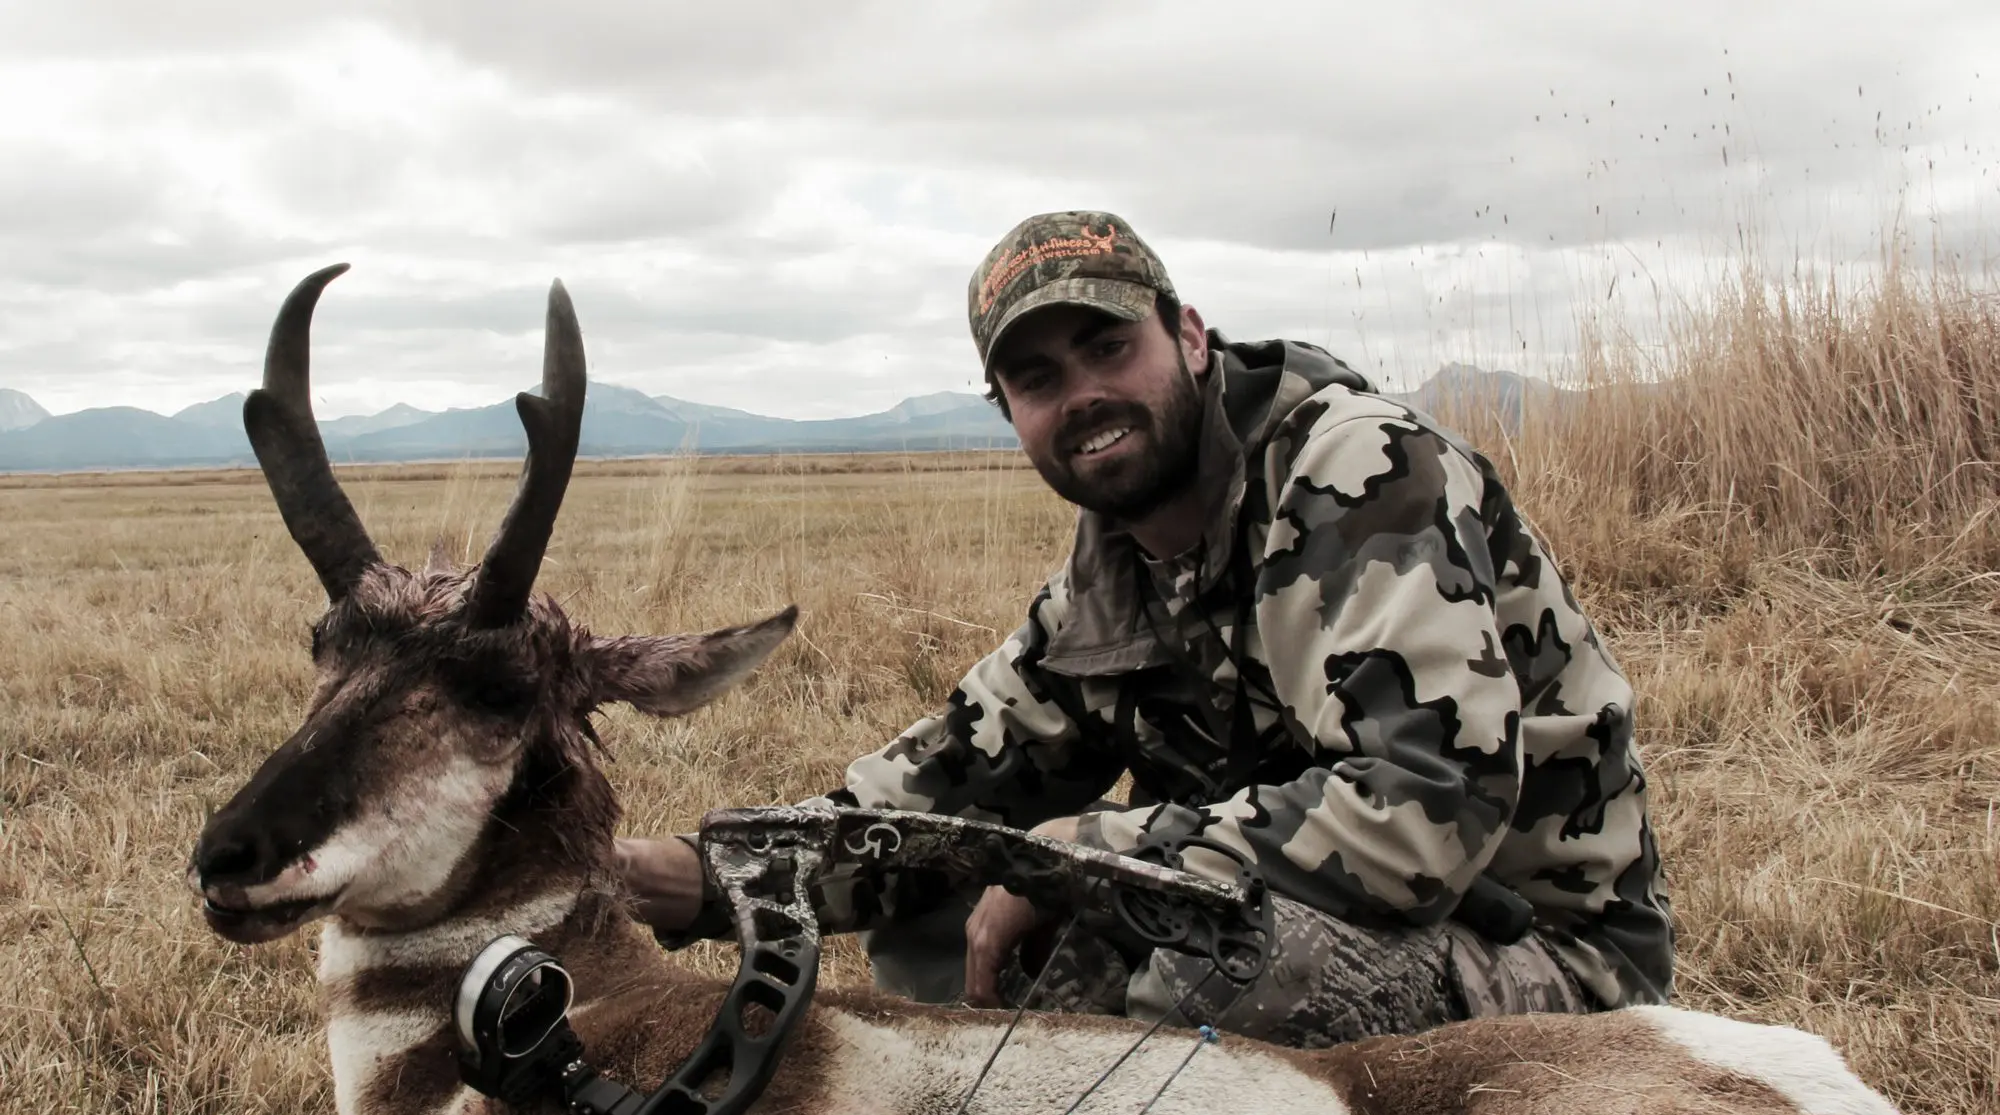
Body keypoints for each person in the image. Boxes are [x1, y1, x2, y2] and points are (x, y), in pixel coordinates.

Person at [619, 211, 1673, 1048]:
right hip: (1323, 919)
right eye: (1037, 379)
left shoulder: (1355, 471)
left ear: (1189, 335)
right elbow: (931, 795)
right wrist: (700, 870)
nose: (1083, 395)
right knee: (937, 906)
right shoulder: (1106, 583)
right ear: (1007, 413)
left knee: (1219, 969)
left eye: (1106, 346)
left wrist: (1083, 852)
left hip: (1542, 960)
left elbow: (1419, 813)